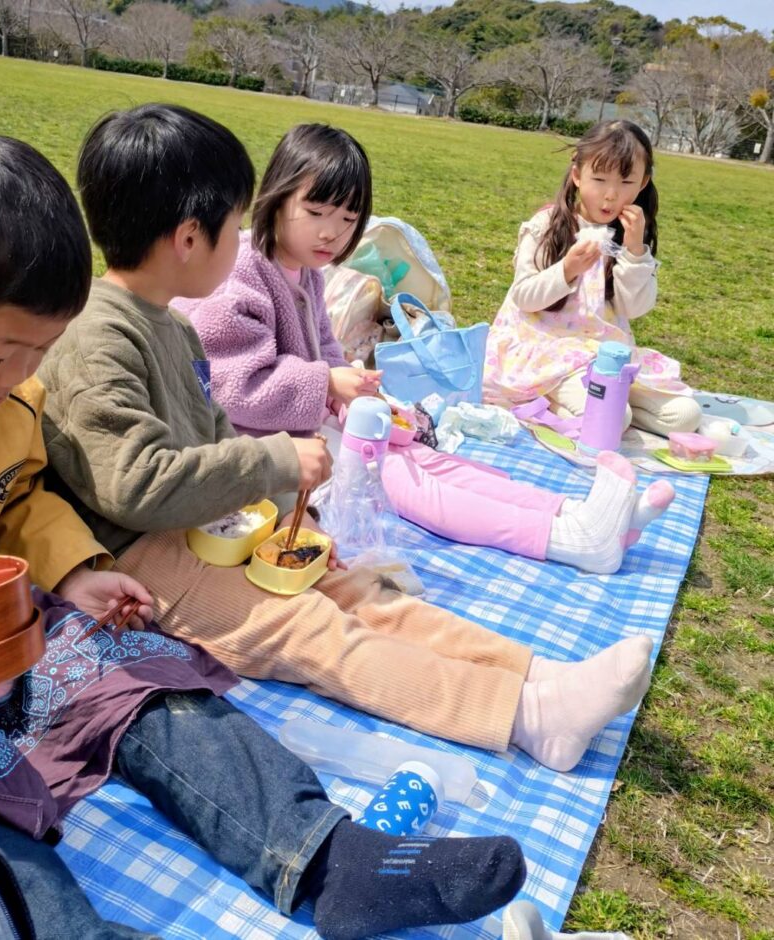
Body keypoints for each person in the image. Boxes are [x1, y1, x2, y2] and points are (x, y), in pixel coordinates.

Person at [0, 135, 527, 940]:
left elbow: (20, 498)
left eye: (38, 354)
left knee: (142, 681)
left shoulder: (4, 391)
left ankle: (326, 859)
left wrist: (74, 569)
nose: (20, 378)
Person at [40, 103, 656, 780]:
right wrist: (275, 460)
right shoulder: (98, 339)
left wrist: (284, 519)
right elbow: (134, 484)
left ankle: (537, 674)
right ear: (190, 238)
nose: (242, 238)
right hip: (141, 558)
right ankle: (527, 716)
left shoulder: (173, 325)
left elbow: (211, 433)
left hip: (212, 525)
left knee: (357, 590)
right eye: (233, 224)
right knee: (312, 628)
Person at [181, 123, 675, 574]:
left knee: (420, 455)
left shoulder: (304, 270)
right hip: (262, 451)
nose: (332, 232)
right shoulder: (241, 274)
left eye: (349, 219)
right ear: (276, 195)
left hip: (305, 426)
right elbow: (230, 387)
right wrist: (326, 383)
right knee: (403, 477)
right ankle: (567, 539)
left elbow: (325, 348)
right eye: (315, 213)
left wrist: (352, 389)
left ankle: (578, 513)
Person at [483, 119, 701, 436]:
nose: (610, 195)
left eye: (626, 182)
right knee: (611, 418)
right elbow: (524, 296)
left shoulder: (630, 235)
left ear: (643, 183)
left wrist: (635, 251)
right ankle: (548, 399)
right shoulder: (547, 226)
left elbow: (634, 308)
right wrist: (567, 270)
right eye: (599, 179)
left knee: (685, 416)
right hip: (550, 350)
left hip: (605, 355)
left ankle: (605, 410)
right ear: (577, 175)